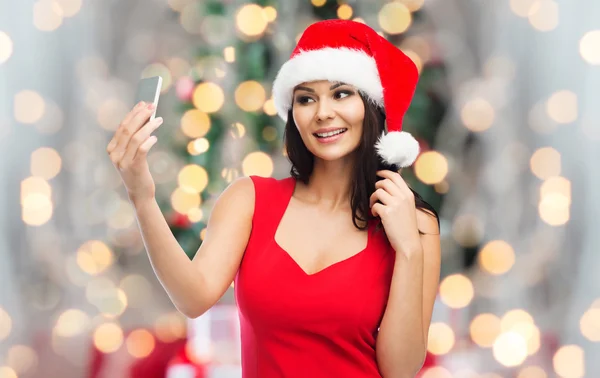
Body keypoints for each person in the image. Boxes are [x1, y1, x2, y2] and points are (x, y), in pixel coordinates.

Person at [107, 19, 441, 378]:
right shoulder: (249, 200)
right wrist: (142, 196)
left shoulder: (415, 225)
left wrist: (408, 250)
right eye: (306, 98)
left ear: (373, 106)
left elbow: (401, 370)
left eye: (341, 93)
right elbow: (193, 297)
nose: (322, 112)